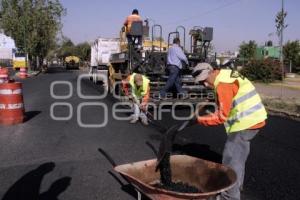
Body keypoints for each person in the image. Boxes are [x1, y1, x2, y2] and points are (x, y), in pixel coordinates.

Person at [192, 63, 267, 200]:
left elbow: (221, 117)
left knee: (231, 160)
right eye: (201, 82)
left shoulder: (223, 85)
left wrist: (200, 119)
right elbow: (228, 99)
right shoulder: (224, 75)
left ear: (211, 72)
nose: (205, 85)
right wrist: (211, 100)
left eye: (204, 80)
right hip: (253, 119)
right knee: (239, 158)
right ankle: (237, 186)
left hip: (245, 123)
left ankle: (229, 197)